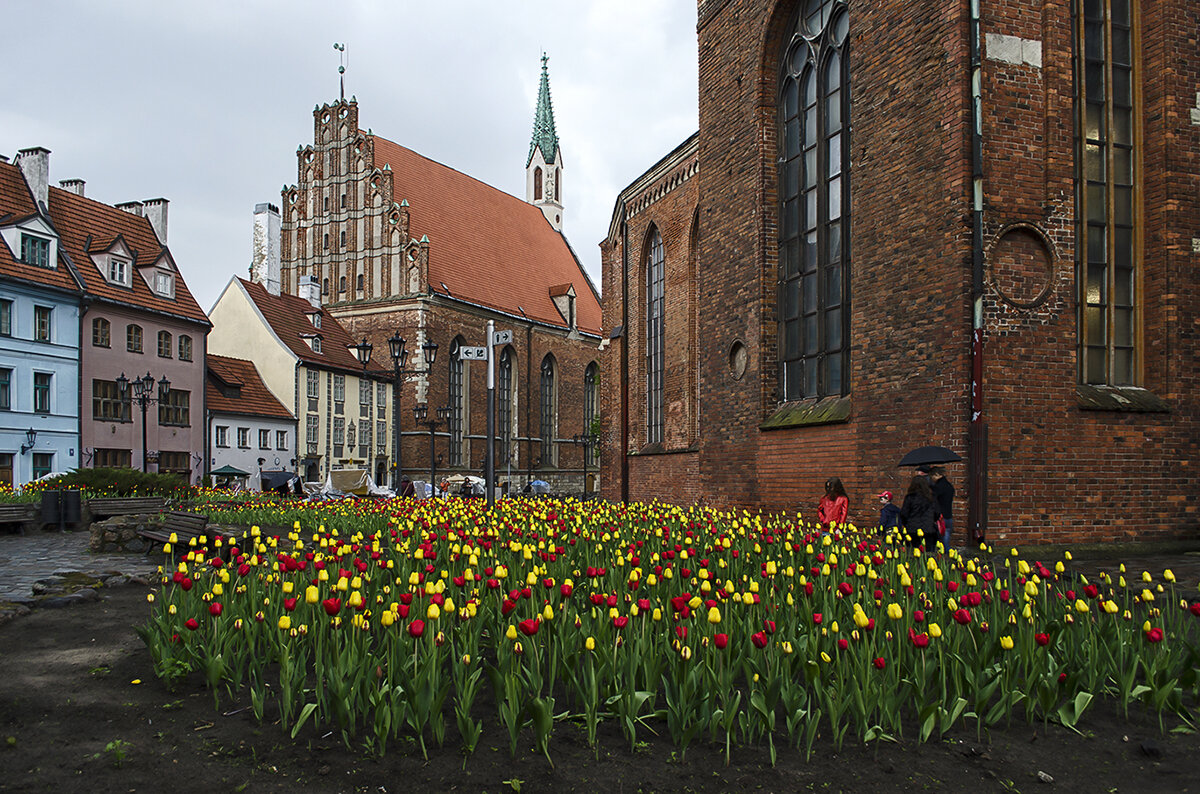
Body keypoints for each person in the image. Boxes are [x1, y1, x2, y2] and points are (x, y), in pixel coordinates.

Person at [899, 475, 940, 551]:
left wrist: (907, 523)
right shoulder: (931, 498)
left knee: (912, 552)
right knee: (928, 553)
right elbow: (937, 513)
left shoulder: (910, 497)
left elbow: (904, 513)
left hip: (912, 529)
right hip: (928, 529)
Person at [928, 466, 955, 548]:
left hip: (940, 516)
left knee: (939, 541)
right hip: (948, 515)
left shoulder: (938, 487)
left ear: (936, 475)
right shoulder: (949, 486)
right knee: (946, 537)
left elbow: (933, 501)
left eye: (932, 476)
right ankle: (946, 555)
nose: (931, 479)